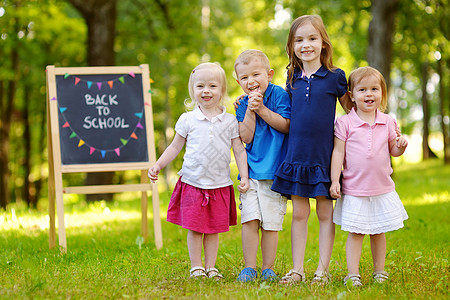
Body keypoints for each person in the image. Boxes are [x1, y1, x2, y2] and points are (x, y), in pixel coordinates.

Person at [271, 15, 352, 285]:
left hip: (323, 157)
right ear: (292, 45)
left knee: (325, 213)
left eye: (312, 38)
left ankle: (322, 270)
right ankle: (297, 270)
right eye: (299, 39)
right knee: (300, 213)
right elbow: (283, 111)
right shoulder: (291, 78)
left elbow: (352, 112)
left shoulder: (335, 78)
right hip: (296, 156)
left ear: (323, 43)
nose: (306, 44)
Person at [148, 62, 250, 279]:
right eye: (200, 86)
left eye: (213, 86)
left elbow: (239, 151)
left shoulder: (230, 121)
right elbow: (175, 146)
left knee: (212, 229)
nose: (206, 91)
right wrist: (158, 164)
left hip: (219, 184)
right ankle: (196, 266)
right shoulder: (188, 120)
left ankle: (211, 267)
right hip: (193, 182)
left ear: (222, 90)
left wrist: (245, 176)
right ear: (192, 90)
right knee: (195, 228)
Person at [330, 66, 408, 287]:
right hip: (355, 189)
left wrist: (400, 146)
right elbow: (338, 153)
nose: (369, 94)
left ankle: (379, 271)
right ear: (352, 95)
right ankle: (352, 274)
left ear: (382, 93)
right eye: (362, 90)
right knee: (356, 232)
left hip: (381, 187)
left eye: (374, 89)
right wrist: (335, 180)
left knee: (378, 231)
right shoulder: (345, 123)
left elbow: (394, 149)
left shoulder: (388, 121)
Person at [234, 50, 291, 282]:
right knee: (250, 220)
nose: (251, 81)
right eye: (245, 78)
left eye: (256, 74)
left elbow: (286, 126)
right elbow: (245, 137)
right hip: (250, 173)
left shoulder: (279, 95)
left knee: (270, 224)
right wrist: (249, 109)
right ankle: (249, 267)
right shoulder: (242, 104)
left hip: (275, 173)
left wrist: (262, 110)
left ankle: (268, 267)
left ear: (269, 74)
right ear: (239, 82)